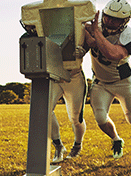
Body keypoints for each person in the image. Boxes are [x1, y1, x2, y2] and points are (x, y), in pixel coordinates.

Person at [80, 0, 131, 164]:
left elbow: (113, 54)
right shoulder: (96, 27)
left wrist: (95, 33)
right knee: (101, 118)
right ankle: (116, 139)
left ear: (124, 21)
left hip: (123, 81)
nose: (110, 21)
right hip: (101, 82)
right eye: (108, 16)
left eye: (115, 19)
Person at [20, 22, 87, 163]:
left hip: (73, 77)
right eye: (27, 25)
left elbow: (86, 40)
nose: (29, 28)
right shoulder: (28, 37)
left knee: (75, 117)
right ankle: (58, 146)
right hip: (53, 77)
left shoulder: (63, 26)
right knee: (44, 111)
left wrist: (84, 49)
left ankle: (77, 145)